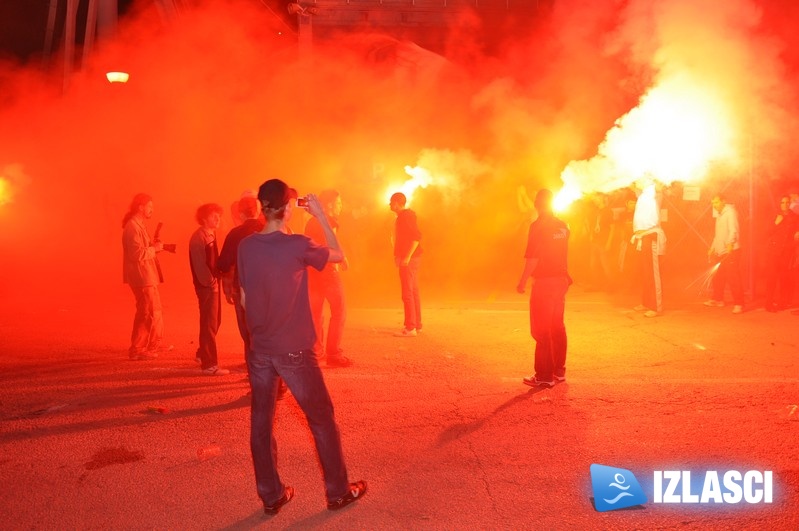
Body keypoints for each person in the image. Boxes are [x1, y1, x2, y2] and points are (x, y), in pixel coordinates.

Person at [238, 179, 367, 515]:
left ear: (262, 206)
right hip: (293, 348)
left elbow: (243, 297)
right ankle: (338, 491)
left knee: (261, 423)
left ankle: (271, 495)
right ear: (288, 207)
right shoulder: (297, 244)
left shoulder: (246, 246)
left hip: (260, 349)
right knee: (321, 419)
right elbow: (339, 255)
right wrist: (323, 218)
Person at [516, 188, 571, 388]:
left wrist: (522, 281)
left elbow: (533, 258)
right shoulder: (563, 226)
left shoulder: (538, 226)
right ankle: (558, 371)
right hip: (561, 280)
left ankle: (544, 375)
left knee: (542, 328)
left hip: (545, 282)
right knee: (557, 325)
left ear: (537, 205)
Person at [305, 189, 351, 367]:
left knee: (316, 314)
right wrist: (342, 257)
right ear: (330, 204)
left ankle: (316, 353)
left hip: (312, 271)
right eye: (338, 203)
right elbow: (333, 242)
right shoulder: (329, 221)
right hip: (328, 271)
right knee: (339, 312)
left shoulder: (310, 222)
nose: (341, 206)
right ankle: (334, 354)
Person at [218, 196, 264, 363]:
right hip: (267, 289)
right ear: (258, 211)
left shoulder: (235, 234)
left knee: (247, 332)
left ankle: (253, 371)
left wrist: (227, 287)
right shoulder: (269, 229)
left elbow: (223, 263)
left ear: (240, 214)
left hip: (242, 288)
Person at [122, 193, 165, 361]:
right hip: (141, 277)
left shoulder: (138, 225)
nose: (151, 210)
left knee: (154, 309)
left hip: (147, 275)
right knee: (146, 312)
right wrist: (154, 248)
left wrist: (155, 247)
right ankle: (138, 349)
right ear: (140, 207)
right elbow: (136, 254)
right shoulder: (132, 227)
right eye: (149, 207)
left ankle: (154, 343)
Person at [189, 203, 230, 375]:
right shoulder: (199, 237)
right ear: (205, 218)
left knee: (214, 322)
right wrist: (210, 282)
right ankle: (209, 364)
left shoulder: (210, 234)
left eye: (219, 215)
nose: (218, 219)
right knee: (208, 324)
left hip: (212, 285)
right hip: (207, 287)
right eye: (214, 216)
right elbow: (200, 266)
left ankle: (202, 354)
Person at [631, 178, 665, 317]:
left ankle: (656, 307)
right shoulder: (643, 194)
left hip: (651, 236)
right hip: (642, 238)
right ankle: (646, 303)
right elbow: (633, 186)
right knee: (645, 273)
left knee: (652, 274)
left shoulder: (654, 192)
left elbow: (660, 186)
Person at [704, 194, 744, 314]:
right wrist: (712, 248)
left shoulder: (730, 212)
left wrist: (730, 243)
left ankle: (739, 304)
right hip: (720, 251)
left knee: (733, 277)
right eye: (712, 203)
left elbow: (734, 229)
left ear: (723, 201)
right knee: (718, 276)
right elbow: (718, 234)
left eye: (716, 202)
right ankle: (718, 300)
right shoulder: (719, 214)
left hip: (732, 251)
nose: (714, 205)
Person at [390, 192, 423, 337]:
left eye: (391, 202)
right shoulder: (402, 217)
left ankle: (410, 328)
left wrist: (407, 257)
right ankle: (416, 324)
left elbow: (416, 237)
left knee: (407, 293)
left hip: (409, 260)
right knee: (413, 291)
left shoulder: (406, 217)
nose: (389, 204)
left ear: (397, 203)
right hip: (411, 259)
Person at [764, 196, 797, 312]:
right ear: (780, 204)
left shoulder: (794, 217)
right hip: (773, 252)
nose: (785, 204)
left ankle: (782, 302)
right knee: (771, 278)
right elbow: (767, 232)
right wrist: (776, 223)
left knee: (784, 278)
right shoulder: (775, 215)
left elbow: (796, 232)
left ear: (789, 204)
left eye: (787, 202)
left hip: (786, 252)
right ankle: (768, 304)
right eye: (782, 202)